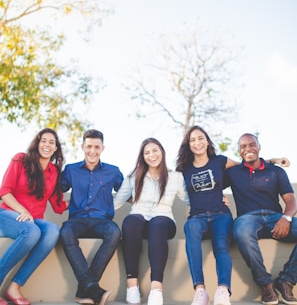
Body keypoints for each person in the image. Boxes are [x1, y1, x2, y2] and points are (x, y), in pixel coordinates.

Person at [175, 125, 288, 305]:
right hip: (197, 216)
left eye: (201, 138)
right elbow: (177, 190)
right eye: (193, 140)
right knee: (191, 229)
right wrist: (189, 205)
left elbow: (249, 163)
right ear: (188, 145)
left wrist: (273, 160)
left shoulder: (221, 161)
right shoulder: (184, 168)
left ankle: (223, 290)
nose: (197, 143)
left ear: (207, 141)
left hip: (221, 214)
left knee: (221, 243)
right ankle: (200, 291)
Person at [113, 137, 189, 305]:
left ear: (162, 151)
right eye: (147, 152)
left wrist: (214, 201)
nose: (151, 155)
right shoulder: (133, 177)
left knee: (158, 223)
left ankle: (156, 288)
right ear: (142, 157)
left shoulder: (175, 177)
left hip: (164, 221)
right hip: (139, 220)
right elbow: (116, 202)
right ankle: (132, 284)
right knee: (130, 221)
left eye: (155, 150)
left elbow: (190, 199)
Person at [224, 133, 297, 305]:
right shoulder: (233, 173)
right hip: (247, 219)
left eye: (252, 145)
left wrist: (286, 218)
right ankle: (265, 284)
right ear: (239, 151)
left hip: (276, 218)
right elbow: (215, 166)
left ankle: (286, 281)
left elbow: (291, 200)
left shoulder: (276, 171)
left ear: (259, 146)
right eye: (243, 147)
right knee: (241, 231)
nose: (248, 149)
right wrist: (219, 199)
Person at [0, 128, 68, 305]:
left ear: (55, 148)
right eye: (43, 140)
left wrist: (87, 202)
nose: (47, 144)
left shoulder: (54, 172)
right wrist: (22, 210)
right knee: (31, 232)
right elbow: (5, 192)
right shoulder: (20, 159)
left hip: (33, 219)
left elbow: (58, 205)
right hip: (8, 212)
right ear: (37, 143)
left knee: (52, 231)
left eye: (51, 142)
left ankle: (14, 286)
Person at [60, 129, 124, 305]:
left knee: (114, 232)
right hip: (77, 220)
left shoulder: (113, 171)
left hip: (102, 221)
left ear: (103, 148)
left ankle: (86, 287)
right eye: (89, 146)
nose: (92, 151)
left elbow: (129, 191)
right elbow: (55, 189)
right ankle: (92, 287)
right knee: (65, 231)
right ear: (82, 147)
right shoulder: (71, 170)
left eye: (97, 146)